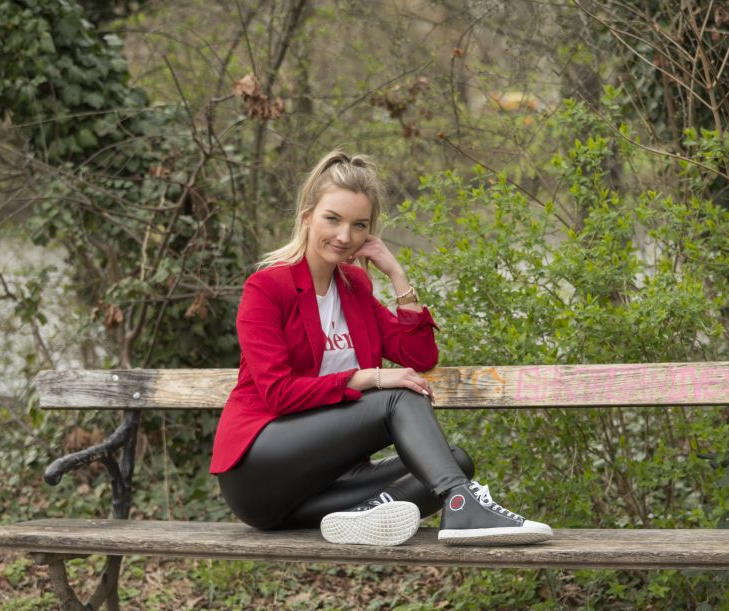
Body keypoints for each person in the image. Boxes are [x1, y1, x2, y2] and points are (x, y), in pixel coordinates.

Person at [211, 149, 552, 547]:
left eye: (359, 225)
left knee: (455, 463)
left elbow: (421, 357)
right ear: (307, 217)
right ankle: (463, 508)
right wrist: (369, 377)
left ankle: (365, 514)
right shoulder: (268, 288)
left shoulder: (356, 289)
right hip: (259, 469)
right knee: (395, 396)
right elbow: (278, 393)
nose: (344, 236)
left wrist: (397, 275)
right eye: (332, 219)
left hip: (315, 495)